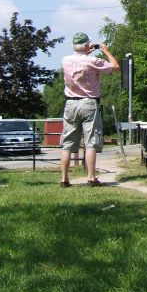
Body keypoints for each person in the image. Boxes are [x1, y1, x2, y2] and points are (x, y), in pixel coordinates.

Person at [59, 32, 119, 187]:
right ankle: (91, 177)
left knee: (67, 143)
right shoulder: (93, 61)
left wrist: (84, 51)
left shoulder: (65, 60)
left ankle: (64, 179)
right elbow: (115, 67)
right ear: (86, 45)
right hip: (89, 102)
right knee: (90, 140)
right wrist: (105, 50)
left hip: (70, 103)